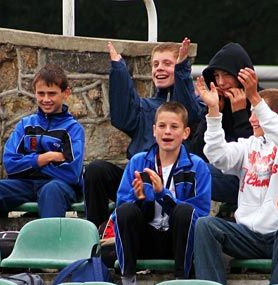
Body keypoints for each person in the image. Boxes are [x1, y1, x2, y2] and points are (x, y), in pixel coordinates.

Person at [194, 68, 278, 285]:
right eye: (252, 112)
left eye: (257, 112)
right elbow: (217, 155)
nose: (251, 119)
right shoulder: (248, 145)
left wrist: (255, 97)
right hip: (250, 238)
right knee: (205, 225)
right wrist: (213, 112)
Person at [84, 38, 205, 228]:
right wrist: (119, 70)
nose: (159, 68)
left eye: (167, 63)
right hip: (141, 183)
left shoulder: (196, 106)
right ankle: (97, 231)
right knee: (96, 170)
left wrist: (182, 69)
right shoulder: (146, 107)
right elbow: (122, 117)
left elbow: (186, 109)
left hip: (175, 186)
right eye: (155, 64)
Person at [114, 102, 211, 285]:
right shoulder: (139, 161)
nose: (167, 132)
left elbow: (200, 215)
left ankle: (180, 283)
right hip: (145, 239)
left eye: (174, 127)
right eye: (162, 126)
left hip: (177, 242)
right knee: (126, 211)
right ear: (154, 130)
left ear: (185, 133)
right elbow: (120, 207)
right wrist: (140, 199)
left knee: (184, 211)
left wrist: (163, 195)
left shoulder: (197, 166)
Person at [0, 64, 84, 220]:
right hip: (24, 185)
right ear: (34, 93)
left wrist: (27, 166)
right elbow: (10, 164)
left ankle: (49, 237)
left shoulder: (73, 129)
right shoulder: (25, 125)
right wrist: (46, 158)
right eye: (41, 93)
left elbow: (71, 173)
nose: (46, 99)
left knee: (51, 190)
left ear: (65, 93)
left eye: (52, 93)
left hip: (58, 187)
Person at [186, 42, 255, 206]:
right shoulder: (219, 102)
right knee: (184, 168)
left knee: (193, 173)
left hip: (254, 180)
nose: (221, 82)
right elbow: (198, 152)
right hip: (224, 172)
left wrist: (240, 114)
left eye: (227, 75)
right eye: (216, 76)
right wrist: (213, 112)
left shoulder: (261, 101)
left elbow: (254, 154)